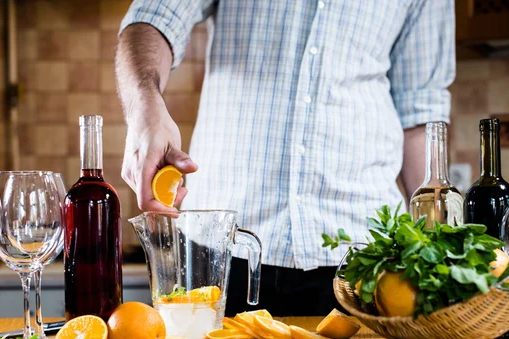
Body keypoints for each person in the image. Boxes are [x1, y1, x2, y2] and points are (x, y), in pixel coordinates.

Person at [116, 1, 455, 316]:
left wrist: (440, 253)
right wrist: (144, 105)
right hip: (221, 253)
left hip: (366, 263)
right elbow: (155, 15)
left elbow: (420, 113)